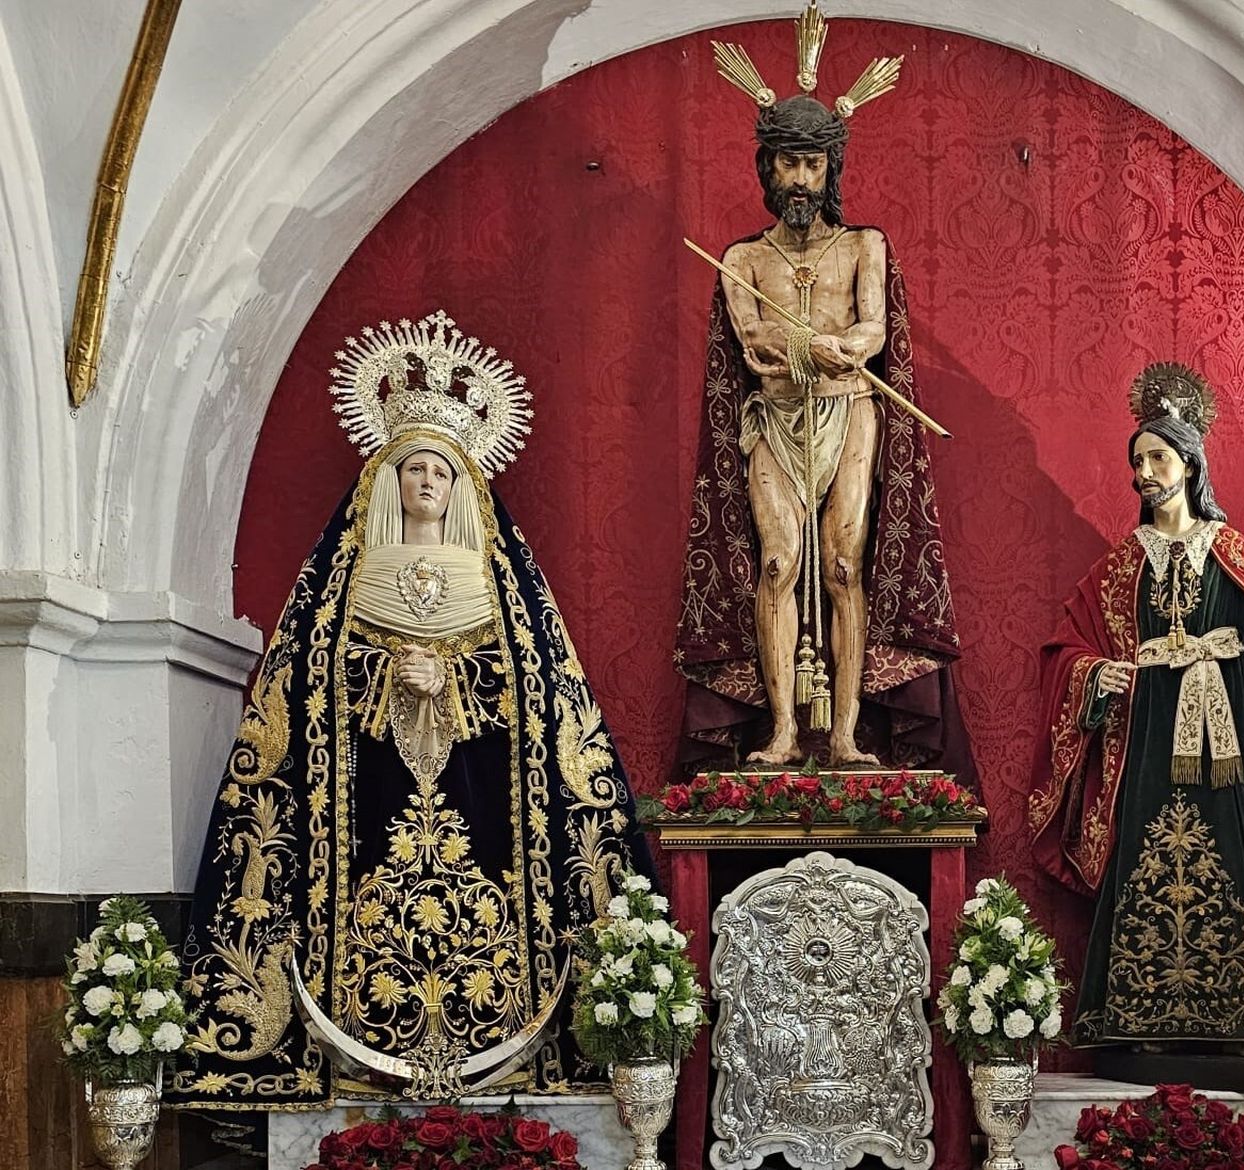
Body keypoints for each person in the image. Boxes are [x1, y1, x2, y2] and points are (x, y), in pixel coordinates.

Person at [170, 312, 649, 1108]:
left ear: (462, 486)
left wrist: (454, 677)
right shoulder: (347, 579)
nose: (427, 482)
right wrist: (386, 672)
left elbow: (540, 684)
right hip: (369, 786)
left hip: (481, 791)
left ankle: (503, 1056)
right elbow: (305, 679)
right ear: (386, 479)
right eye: (413, 468)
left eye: (441, 472)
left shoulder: (496, 578)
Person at [1028, 363, 1244, 1057]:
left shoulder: (1229, 551)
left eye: (1157, 458)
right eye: (1136, 462)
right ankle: (1147, 1026)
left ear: (1190, 464)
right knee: (1146, 859)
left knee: (1241, 858)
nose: (1143, 474)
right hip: (1150, 734)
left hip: (1233, 737)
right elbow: (1065, 647)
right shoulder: (1123, 565)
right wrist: (1094, 674)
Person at [675, 6, 966, 771]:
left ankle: (842, 734)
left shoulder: (865, 244)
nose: (799, 179)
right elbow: (754, 345)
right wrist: (796, 349)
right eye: (787, 164)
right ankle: (780, 731)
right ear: (767, 169)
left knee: (841, 566)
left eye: (811, 165)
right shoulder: (742, 260)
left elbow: (874, 332)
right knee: (778, 564)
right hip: (774, 417)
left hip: (849, 411)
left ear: (830, 169)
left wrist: (842, 348)